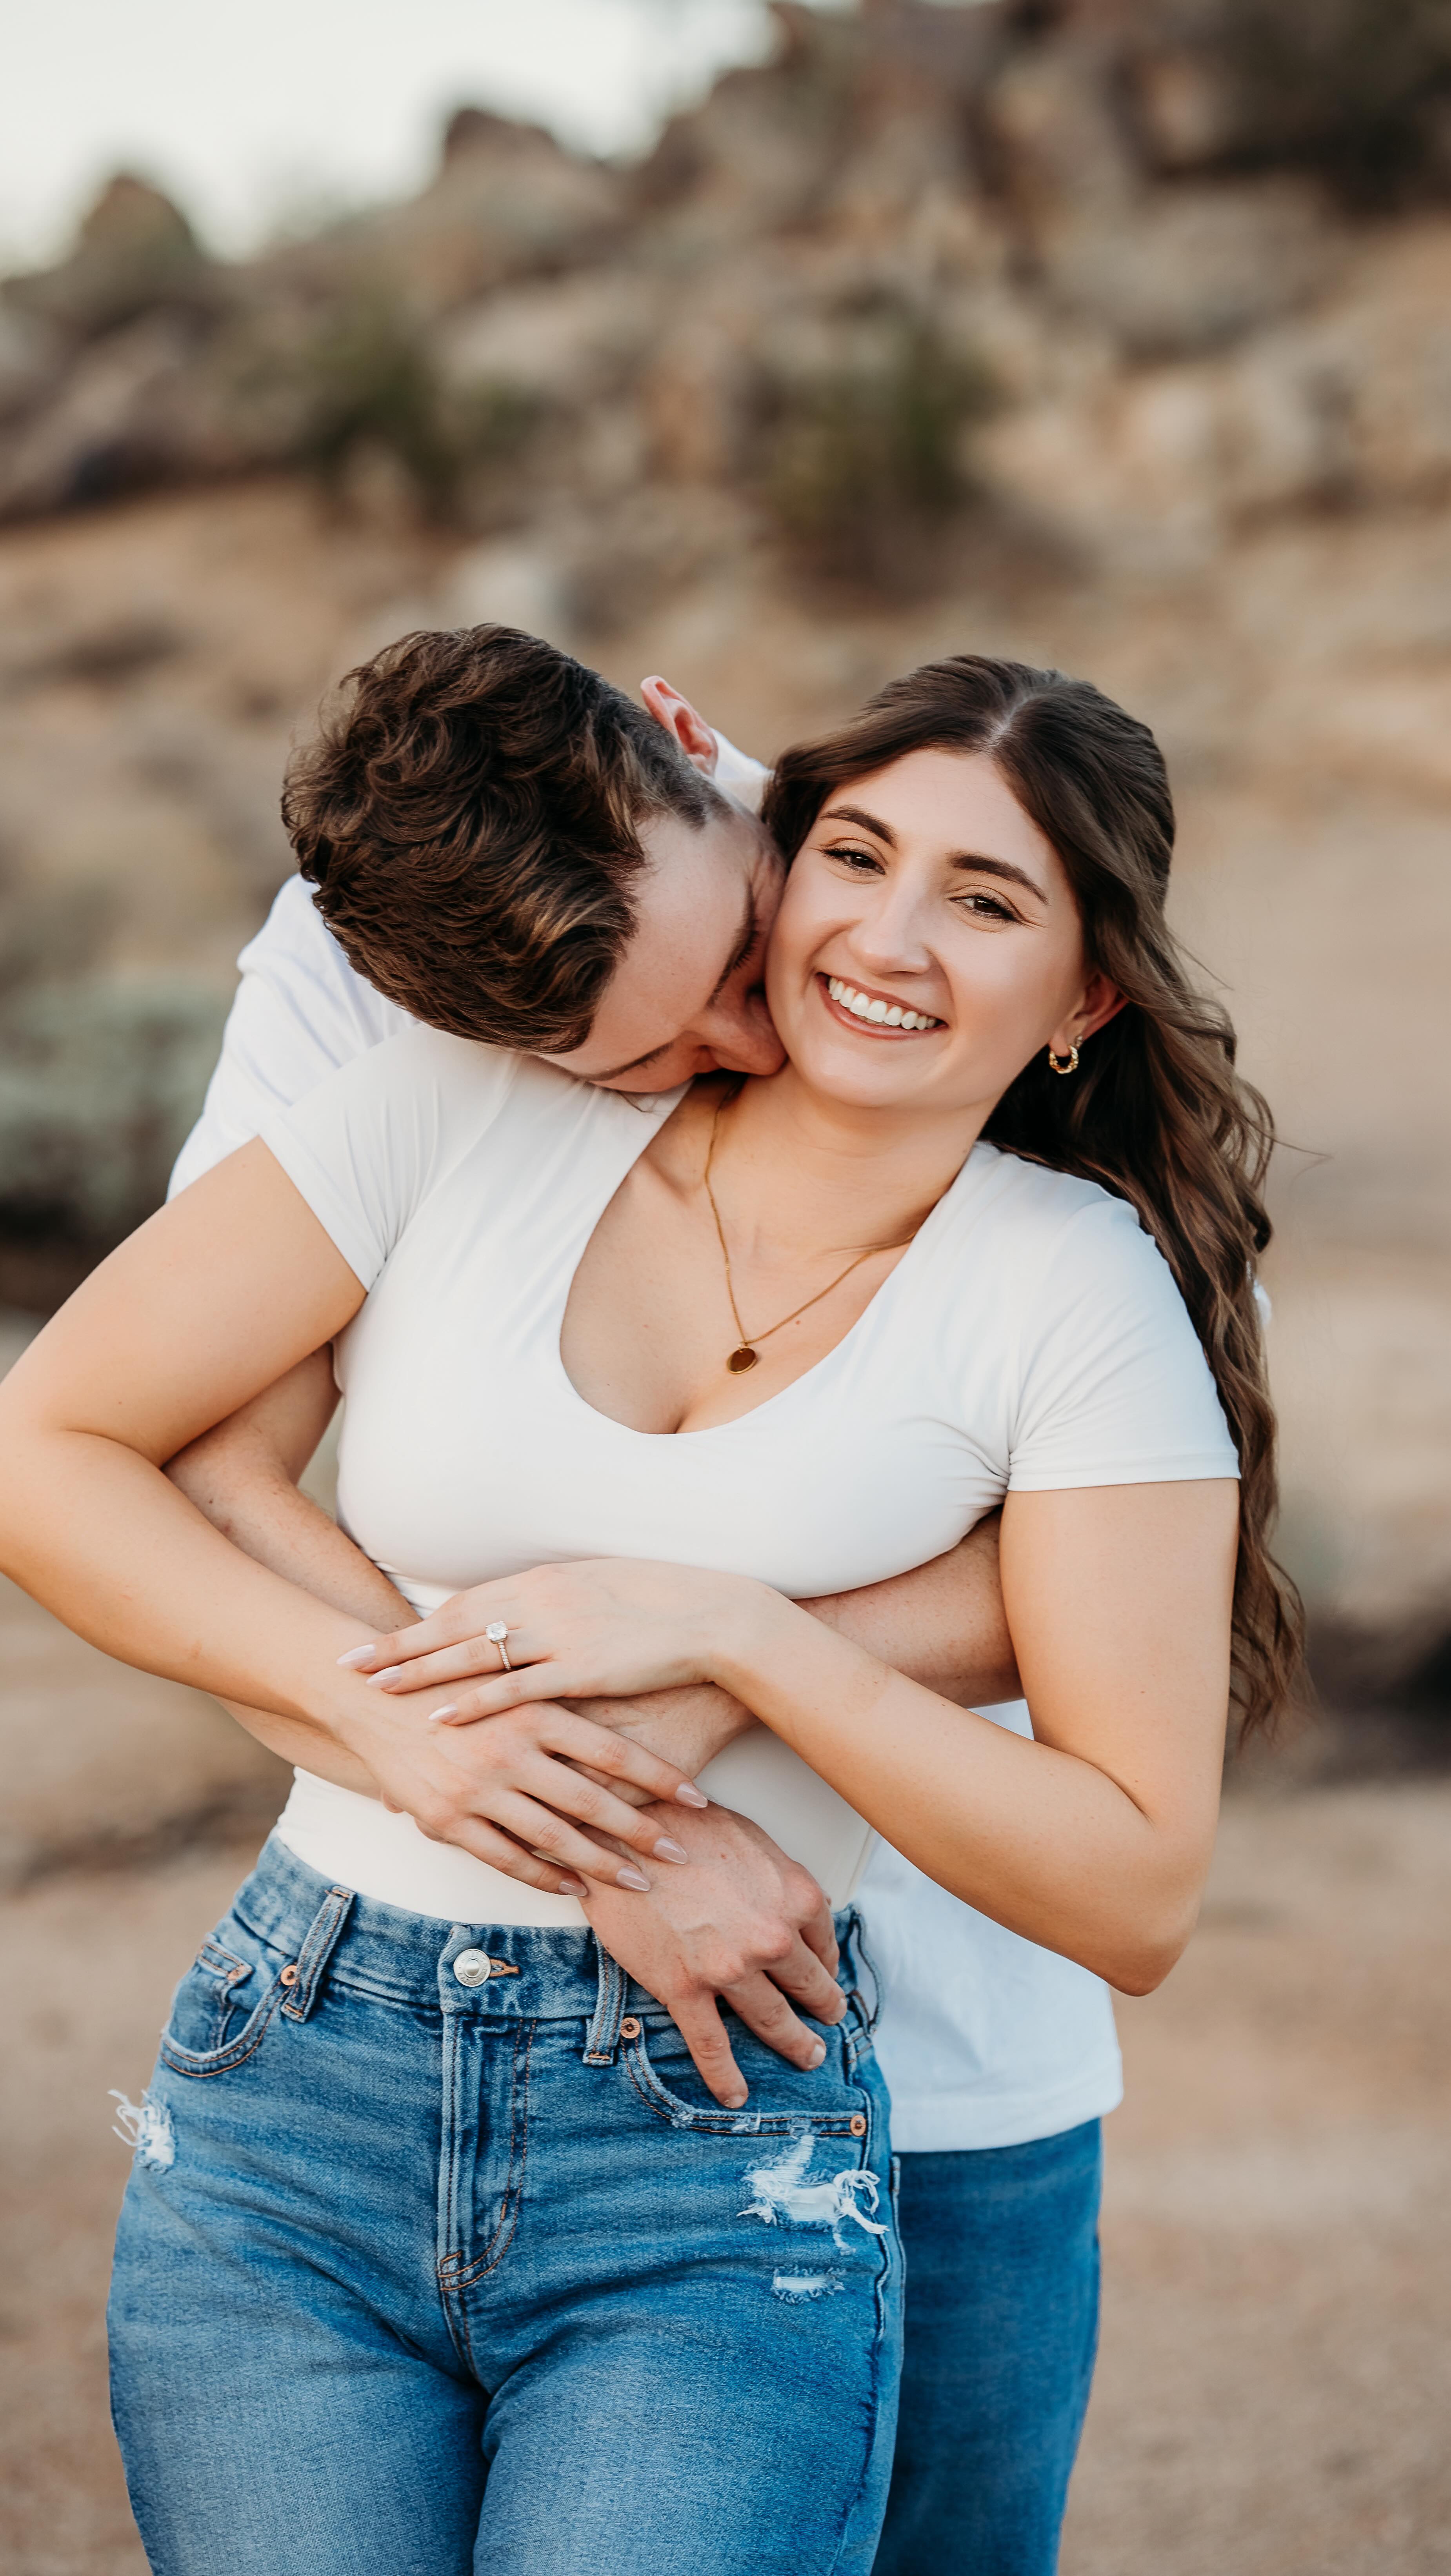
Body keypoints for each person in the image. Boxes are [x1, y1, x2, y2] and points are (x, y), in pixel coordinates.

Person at [0, 646, 1301, 2575]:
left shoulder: (1057, 1236)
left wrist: (724, 1637)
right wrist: (510, 1768)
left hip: (847, 2052)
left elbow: (1129, 1608)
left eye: (706, 985)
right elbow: (157, 1446)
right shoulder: (430, 1016)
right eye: (627, 1050)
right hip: (323, 2034)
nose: (728, 1039)